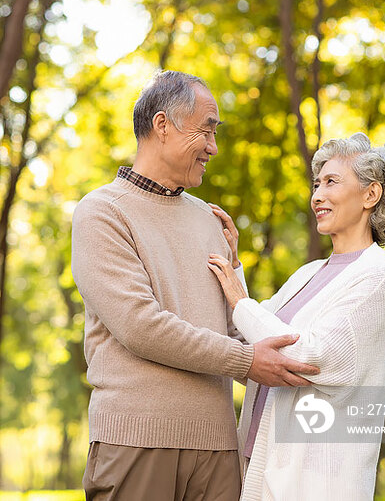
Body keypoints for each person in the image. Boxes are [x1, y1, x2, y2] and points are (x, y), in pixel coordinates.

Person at [71, 70, 320, 501]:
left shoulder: (210, 219)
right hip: (137, 441)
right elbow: (140, 325)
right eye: (206, 130)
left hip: (219, 449)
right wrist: (246, 362)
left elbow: (235, 330)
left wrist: (236, 268)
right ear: (162, 125)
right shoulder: (102, 212)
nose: (213, 147)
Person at [208, 132, 385, 501]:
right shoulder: (310, 272)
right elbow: (248, 334)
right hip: (259, 465)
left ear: (370, 195)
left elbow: (309, 358)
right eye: (316, 184)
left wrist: (240, 301)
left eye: (331, 182)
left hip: (318, 480)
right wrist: (234, 266)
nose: (317, 195)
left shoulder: (380, 276)